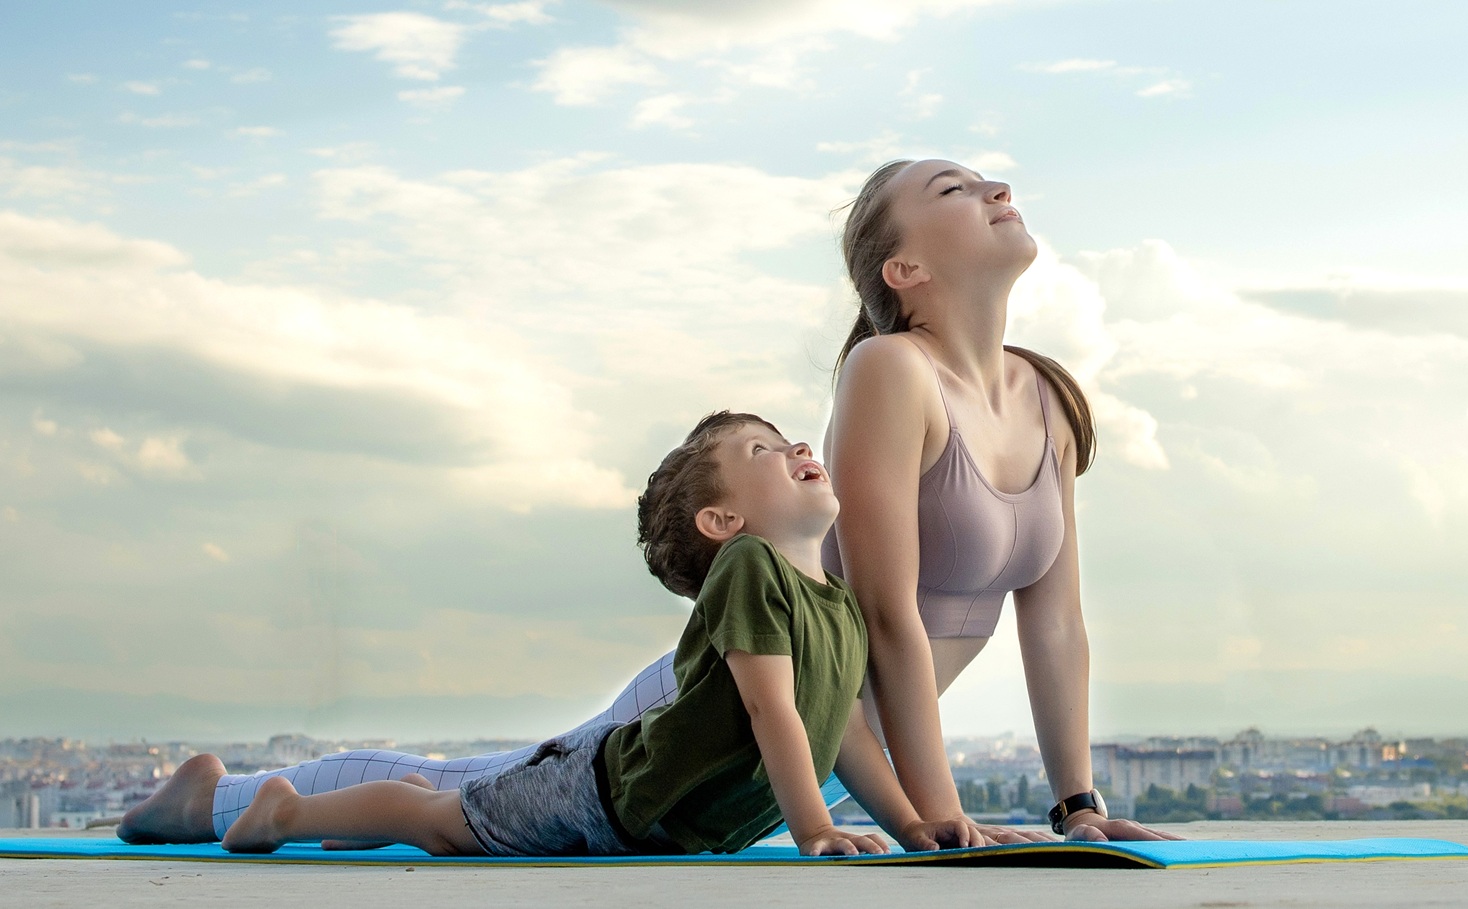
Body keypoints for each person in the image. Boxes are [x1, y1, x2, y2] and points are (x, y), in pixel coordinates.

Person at [130, 412, 972, 857]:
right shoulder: (750, 568)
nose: (793, 442)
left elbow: (844, 731)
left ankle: (335, 813)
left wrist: (906, 825)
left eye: (784, 435)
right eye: (762, 447)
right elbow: (774, 713)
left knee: (445, 810)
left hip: (655, 823)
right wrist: (812, 828)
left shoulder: (835, 606)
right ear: (726, 520)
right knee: (442, 821)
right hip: (604, 796)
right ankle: (284, 811)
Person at [819, 159, 1176, 843]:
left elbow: (1057, 625)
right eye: (954, 189)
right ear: (905, 269)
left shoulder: (1047, 393)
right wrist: (940, 816)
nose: (999, 191)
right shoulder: (889, 368)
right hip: (704, 742)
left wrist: (1079, 807)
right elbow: (885, 616)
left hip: (839, 768)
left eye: (988, 182)